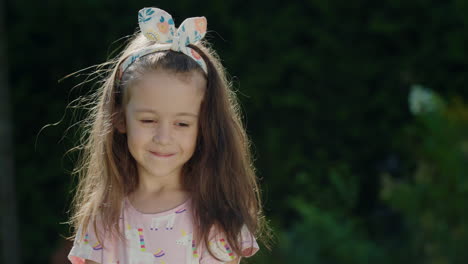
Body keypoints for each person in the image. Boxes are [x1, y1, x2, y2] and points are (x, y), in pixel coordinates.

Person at [67, 7, 270, 264]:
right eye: (149, 120)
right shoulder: (103, 221)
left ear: (204, 125)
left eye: (182, 123)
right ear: (119, 118)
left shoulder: (216, 219)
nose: (163, 137)